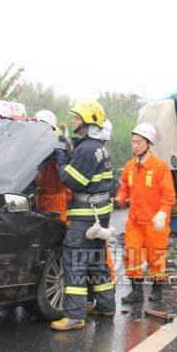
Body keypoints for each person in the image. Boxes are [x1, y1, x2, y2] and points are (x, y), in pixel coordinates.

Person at [49, 100, 115, 331]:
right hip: (99, 216)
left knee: (75, 262)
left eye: (77, 118)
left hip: (85, 218)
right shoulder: (98, 147)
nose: (73, 121)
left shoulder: (87, 150)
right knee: (97, 261)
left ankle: (74, 316)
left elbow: (72, 181)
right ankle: (106, 306)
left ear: (88, 122)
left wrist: (60, 159)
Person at [115, 123, 177, 303]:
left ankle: (157, 288)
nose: (134, 145)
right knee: (132, 253)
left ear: (148, 143)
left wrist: (162, 213)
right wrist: (120, 197)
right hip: (135, 220)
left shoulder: (160, 167)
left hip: (155, 221)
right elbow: (124, 187)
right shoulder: (129, 166)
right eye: (133, 142)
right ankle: (136, 291)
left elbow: (169, 195)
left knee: (155, 255)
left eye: (138, 142)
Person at [34, 110, 70, 222]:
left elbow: (64, 175)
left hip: (56, 201)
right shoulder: (37, 146)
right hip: (41, 199)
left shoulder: (58, 146)